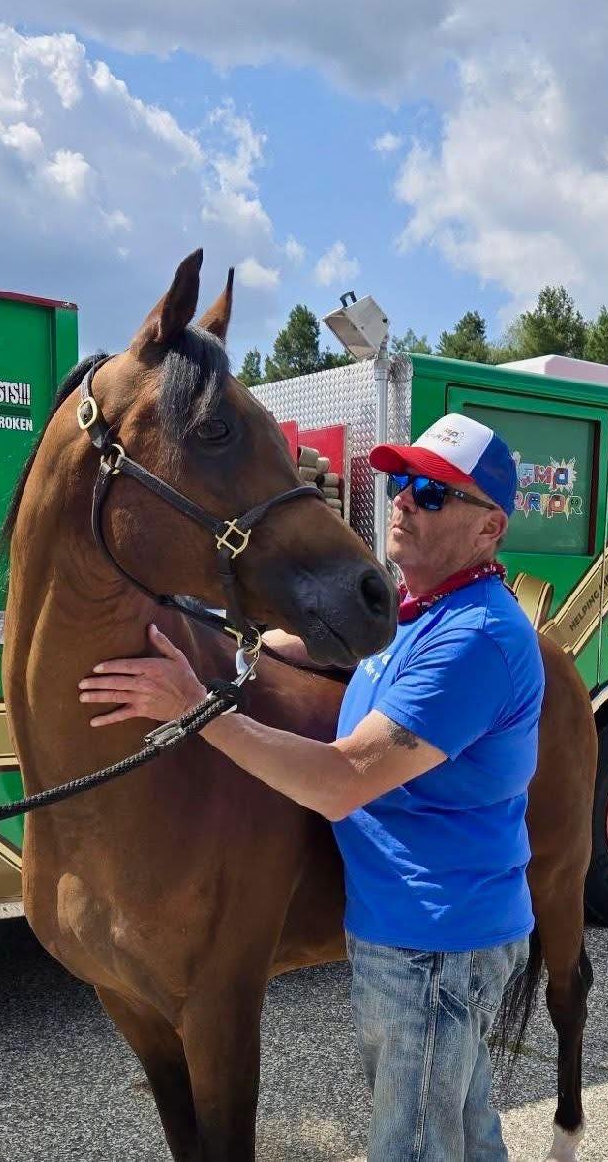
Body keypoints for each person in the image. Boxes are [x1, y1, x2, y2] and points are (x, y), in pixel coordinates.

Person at [79, 412, 543, 1161]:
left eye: (433, 492)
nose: (403, 501)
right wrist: (231, 642)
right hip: (422, 929)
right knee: (463, 1128)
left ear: (489, 528)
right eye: (401, 482)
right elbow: (311, 650)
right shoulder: (420, 614)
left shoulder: (474, 639)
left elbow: (341, 780)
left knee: (414, 1146)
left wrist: (193, 709)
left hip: (435, 943)